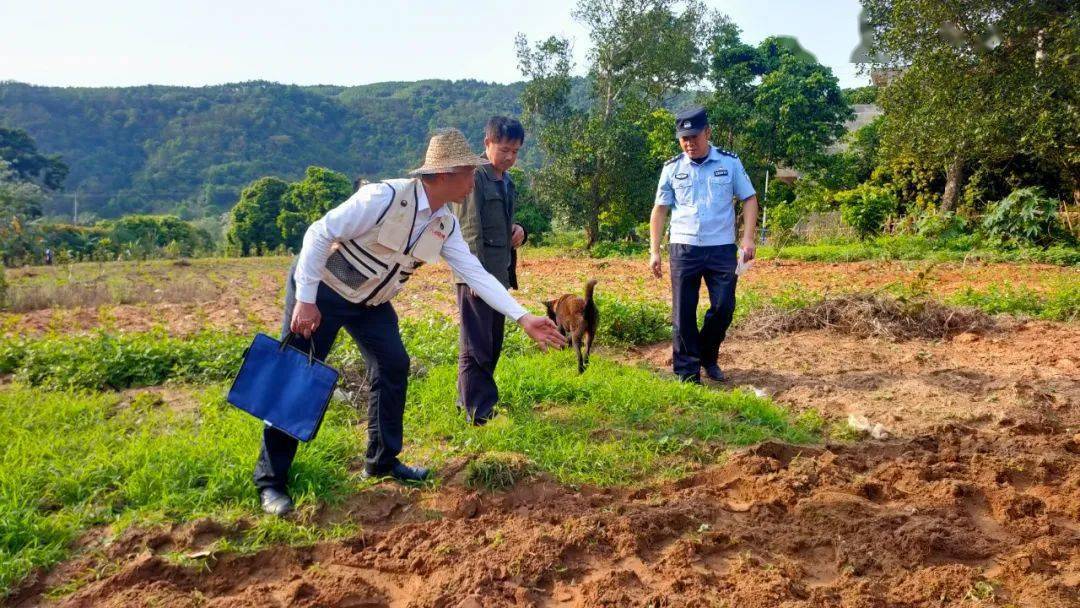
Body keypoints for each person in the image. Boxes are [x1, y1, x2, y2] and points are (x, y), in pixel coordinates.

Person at [254, 128, 565, 516]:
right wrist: (305, 300)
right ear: (444, 175)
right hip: (323, 293)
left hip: (371, 303)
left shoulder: (444, 224)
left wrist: (523, 317)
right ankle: (271, 483)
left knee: (393, 365)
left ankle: (382, 461)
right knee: (297, 375)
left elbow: (476, 273)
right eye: (468, 172)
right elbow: (319, 233)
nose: (474, 180)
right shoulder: (383, 198)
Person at [648, 107, 759, 384]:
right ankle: (687, 372)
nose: (689, 143)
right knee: (683, 312)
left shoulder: (729, 163)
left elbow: (749, 198)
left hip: (721, 248)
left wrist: (747, 238)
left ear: (708, 133)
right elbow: (660, 210)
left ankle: (708, 356)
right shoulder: (672, 168)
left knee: (724, 307)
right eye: (684, 138)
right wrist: (654, 250)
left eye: (695, 137)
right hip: (683, 248)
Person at [451, 116, 527, 425]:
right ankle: (479, 412)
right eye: (504, 148)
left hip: (497, 275)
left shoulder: (505, 180)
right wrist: (474, 276)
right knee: (476, 344)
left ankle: (469, 403)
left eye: (516, 151)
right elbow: (469, 229)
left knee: (491, 342)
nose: (510, 156)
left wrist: (518, 230)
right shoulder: (476, 178)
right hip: (477, 275)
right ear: (487, 143)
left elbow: (500, 225)